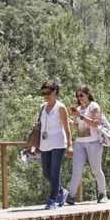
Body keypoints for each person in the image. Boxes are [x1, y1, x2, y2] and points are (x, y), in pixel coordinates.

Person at [66, 86, 108, 205]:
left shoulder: (94, 106)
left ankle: (103, 193)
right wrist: (70, 122)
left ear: (88, 95)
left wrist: (81, 116)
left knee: (96, 170)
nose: (79, 98)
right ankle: (71, 196)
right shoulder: (79, 108)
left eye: (81, 95)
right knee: (76, 170)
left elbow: (95, 123)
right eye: (78, 96)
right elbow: (80, 128)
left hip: (94, 142)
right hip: (80, 142)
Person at [36, 81, 72, 209]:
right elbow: (39, 127)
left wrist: (70, 145)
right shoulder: (42, 107)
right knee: (46, 173)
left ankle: (52, 199)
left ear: (55, 92)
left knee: (55, 171)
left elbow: (67, 128)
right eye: (44, 93)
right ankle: (62, 191)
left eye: (49, 92)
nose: (46, 95)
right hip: (45, 143)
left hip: (58, 143)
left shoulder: (61, 107)